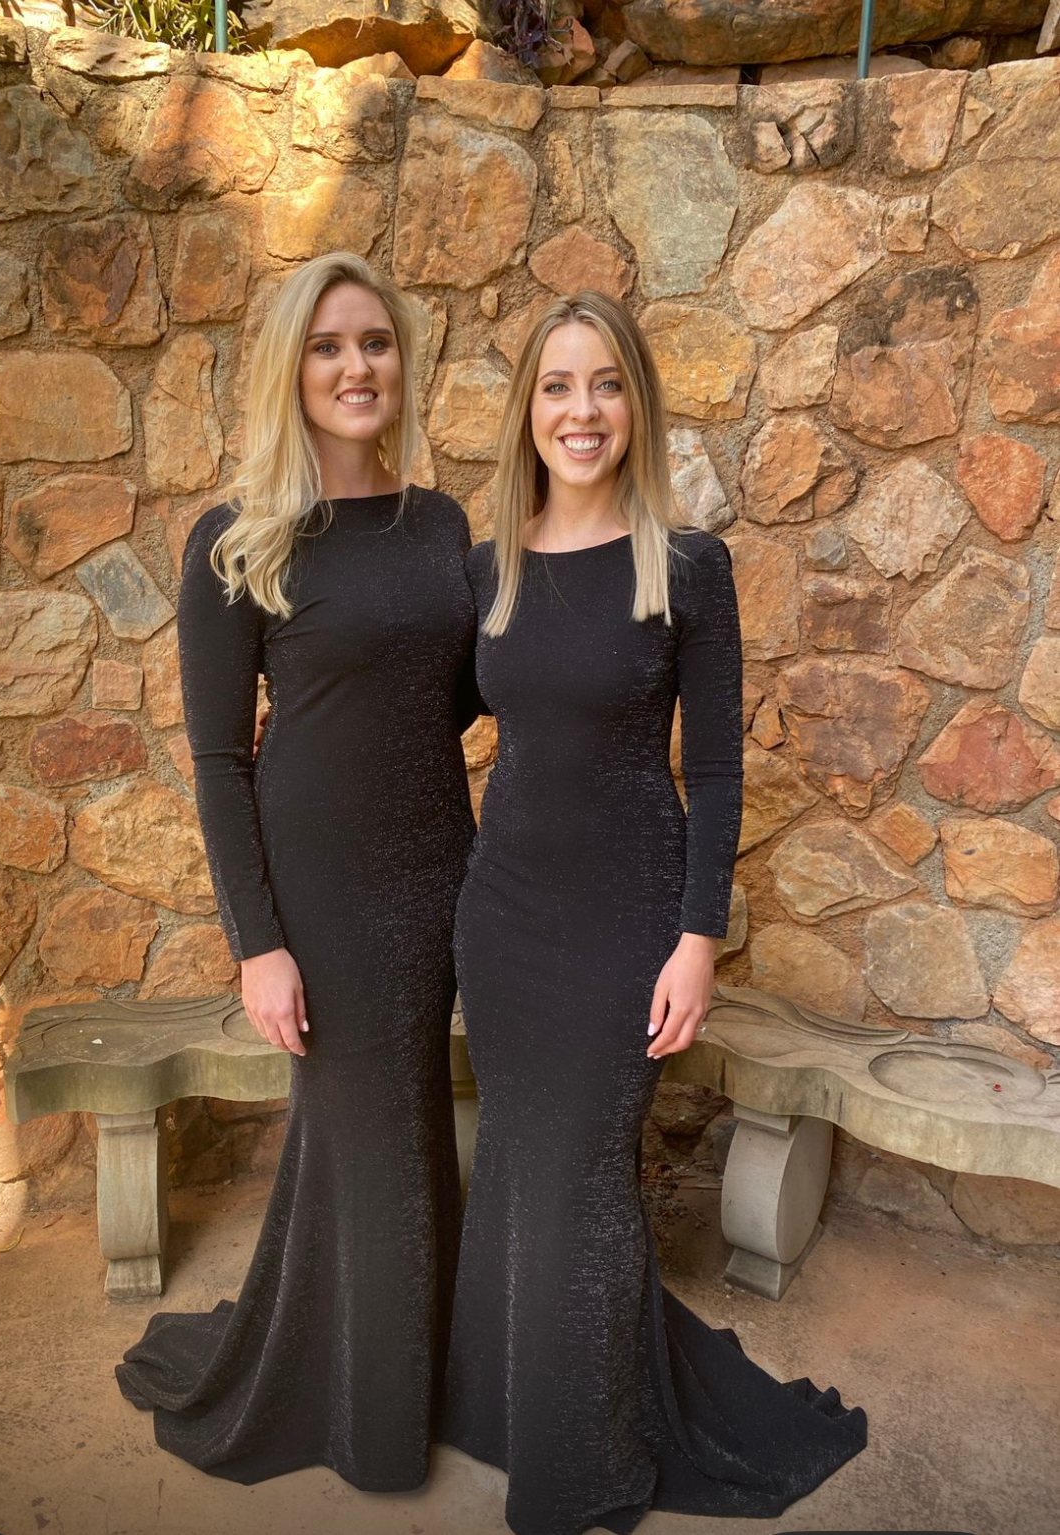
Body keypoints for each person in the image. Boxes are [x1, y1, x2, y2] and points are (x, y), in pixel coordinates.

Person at [443, 292, 866, 1535]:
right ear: (528, 409)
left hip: (628, 923)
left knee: (583, 1176)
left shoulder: (686, 567)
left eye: (606, 384)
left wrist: (697, 939)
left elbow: (718, 771)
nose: (582, 410)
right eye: (558, 385)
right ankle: (516, 1405)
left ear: (637, 403)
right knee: (523, 1161)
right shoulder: (488, 568)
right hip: (504, 918)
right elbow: (424, 718)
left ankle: (585, 1463)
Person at [116, 253, 478, 1492]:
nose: (356, 366)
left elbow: (452, 697)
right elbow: (221, 761)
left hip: (439, 873)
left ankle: (399, 1364)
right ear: (291, 369)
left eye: (375, 342)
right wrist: (257, 942)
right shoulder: (238, 540)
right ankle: (371, 1420)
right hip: (322, 896)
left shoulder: (441, 526)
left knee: (403, 1127)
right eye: (328, 346)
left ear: (402, 361)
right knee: (373, 1139)